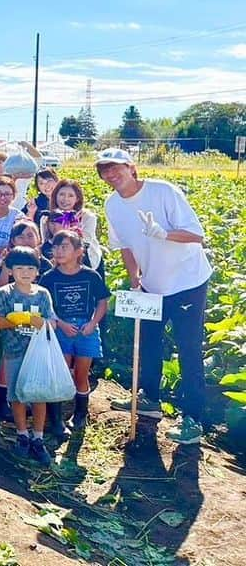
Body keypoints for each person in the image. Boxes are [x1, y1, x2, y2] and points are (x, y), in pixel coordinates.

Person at [97, 148, 212, 445]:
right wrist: (134, 276)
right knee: (148, 343)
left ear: (131, 167)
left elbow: (196, 235)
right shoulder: (113, 205)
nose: (111, 174)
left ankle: (193, 419)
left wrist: (164, 234)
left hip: (187, 281)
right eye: (105, 170)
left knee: (188, 349)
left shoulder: (163, 192)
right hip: (152, 284)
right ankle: (149, 399)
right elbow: (124, 245)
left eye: (116, 168)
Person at [0, 246, 56, 465]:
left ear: (37, 271)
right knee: (16, 395)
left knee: (38, 396)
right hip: (13, 352)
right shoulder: (4, 293)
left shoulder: (43, 294)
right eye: (19, 268)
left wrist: (43, 323)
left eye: (30, 268)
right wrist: (18, 319)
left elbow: (52, 323)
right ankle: (22, 435)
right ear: (10, 270)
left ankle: (38, 437)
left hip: (37, 355)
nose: (25, 273)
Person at [40, 230, 109, 436]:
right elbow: (45, 306)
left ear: (79, 251)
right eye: (56, 247)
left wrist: (92, 323)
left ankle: (80, 414)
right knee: (60, 373)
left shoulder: (91, 275)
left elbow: (102, 302)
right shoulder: (49, 278)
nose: (59, 251)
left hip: (86, 329)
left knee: (81, 373)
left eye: (65, 247)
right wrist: (60, 323)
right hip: (61, 329)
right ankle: (56, 419)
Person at [47, 179, 103, 272]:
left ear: (77, 199)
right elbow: (47, 241)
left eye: (70, 196)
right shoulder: (47, 218)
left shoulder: (87, 217)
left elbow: (86, 241)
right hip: (57, 261)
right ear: (55, 196)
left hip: (87, 260)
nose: (65, 199)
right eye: (61, 195)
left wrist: (71, 230)